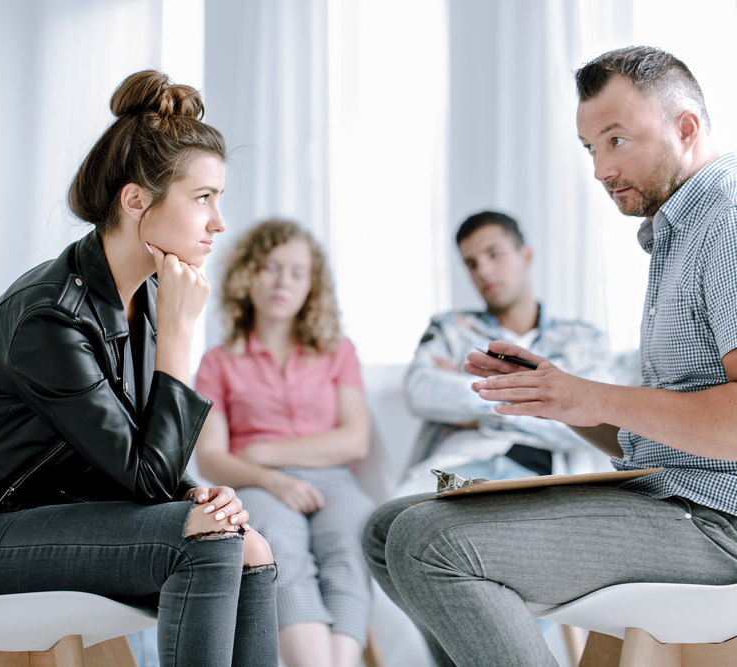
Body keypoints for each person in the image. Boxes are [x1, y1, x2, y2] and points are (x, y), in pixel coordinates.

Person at [363, 45, 737, 667]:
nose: (599, 169)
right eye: (591, 148)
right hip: (669, 492)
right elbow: (664, 433)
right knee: (385, 530)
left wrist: (592, 395)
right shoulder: (677, 235)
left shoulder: (725, 225)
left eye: (617, 140)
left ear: (686, 128)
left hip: (717, 522)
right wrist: (558, 397)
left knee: (429, 544)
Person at [0, 70, 278, 667]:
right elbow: (145, 477)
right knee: (207, 543)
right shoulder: (50, 320)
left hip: (54, 510)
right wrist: (183, 334)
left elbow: (134, 463)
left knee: (251, 547)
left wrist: (200, 494)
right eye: (203, 198)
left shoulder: (150, 291)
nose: (219, 223)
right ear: (137, 200)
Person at [195, 219, 372, 667]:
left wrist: (265, 452)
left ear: (312, 285)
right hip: (257, 484)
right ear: (247, 274)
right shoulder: (217, 362)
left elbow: (354, 440)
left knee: (351, 546)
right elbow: (213, 458)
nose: (283, 282)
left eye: (297, 272)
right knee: (279, 550)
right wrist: (268, 477)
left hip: (332, 481)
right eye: (271, 268)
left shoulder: (338, 351)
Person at [396, 211, 611, 496]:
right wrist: (540, 401)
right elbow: (420, 392)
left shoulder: (583, 339)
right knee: (387, 523)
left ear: (526, 256)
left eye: (493, 254)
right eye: (472, 264)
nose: (483, 271)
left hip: (541, 475)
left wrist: (474, 408)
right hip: (456, 464)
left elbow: (596, 424)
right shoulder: (450, 328)